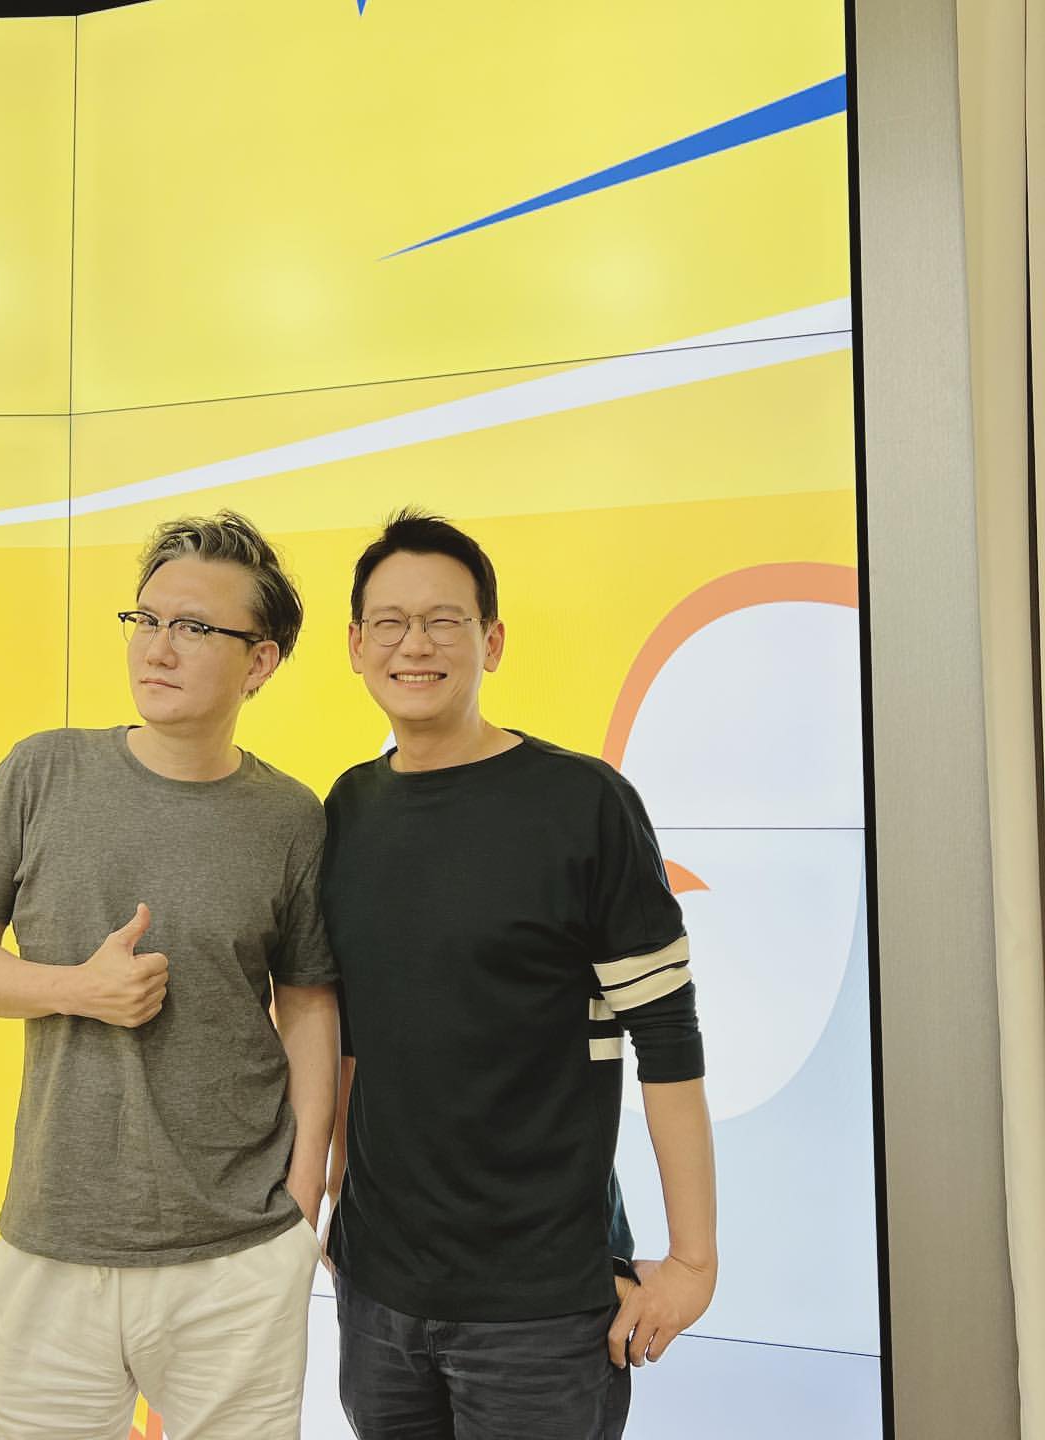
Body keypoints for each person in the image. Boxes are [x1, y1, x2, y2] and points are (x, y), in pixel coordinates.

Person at [0, 511, 339, 1440]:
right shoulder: (44, 770)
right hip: (52, 1241)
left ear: (261, 662)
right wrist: (76, 988)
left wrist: (305, 1194)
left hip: (238, 1250)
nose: (158, 646)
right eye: (145, 619)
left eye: (193, 627)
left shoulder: (290, 816)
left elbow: (308, 1002)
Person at [321, 509, 717, 1440]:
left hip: (544, 1307)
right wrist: (340, 1207)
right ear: (356, 645)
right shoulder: (349, 808)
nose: (415, 645)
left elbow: (666, 1037)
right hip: (379, 1297)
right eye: (390, 622)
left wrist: (693, 1262)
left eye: (444, 621)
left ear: (491, 641)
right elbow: (350, 1034)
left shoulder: (581, 804)